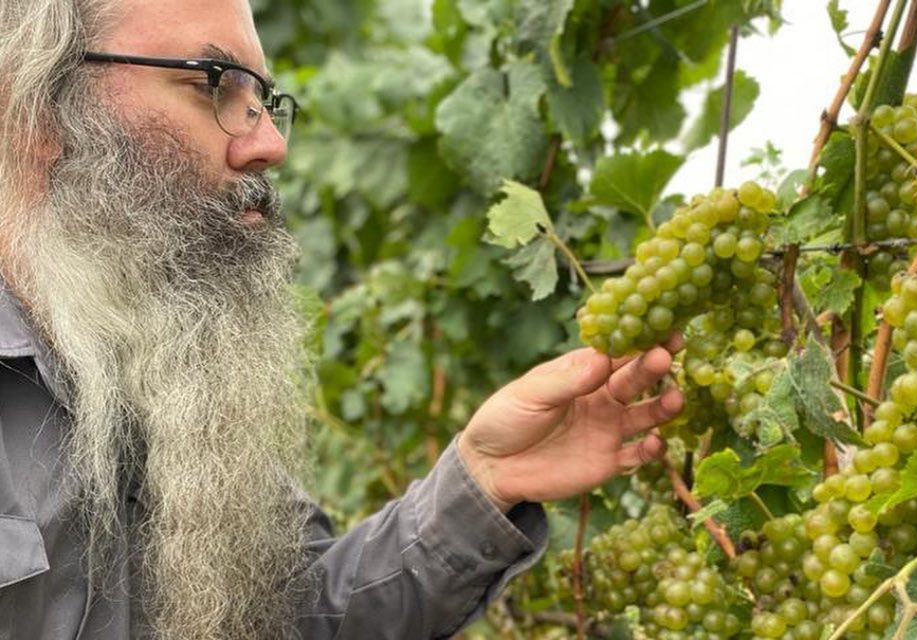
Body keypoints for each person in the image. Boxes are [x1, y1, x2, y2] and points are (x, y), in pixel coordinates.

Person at [0, 1, 684, 638]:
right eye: (214, 84)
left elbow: (292, 617)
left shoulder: (160, 357)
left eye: (263, 101)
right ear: (38, 109)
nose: (269, 143)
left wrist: (482, 481)